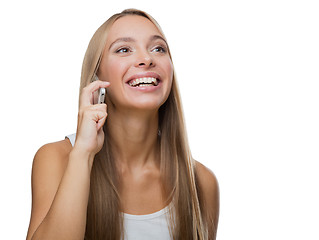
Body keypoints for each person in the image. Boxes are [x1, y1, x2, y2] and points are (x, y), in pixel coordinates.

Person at [26, 9, 219, 240]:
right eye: (124, 49)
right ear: (97, 75)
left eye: (158, 48)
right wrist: (83, 155)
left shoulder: (201, 183)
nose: (147, 59)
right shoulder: (56, 159)